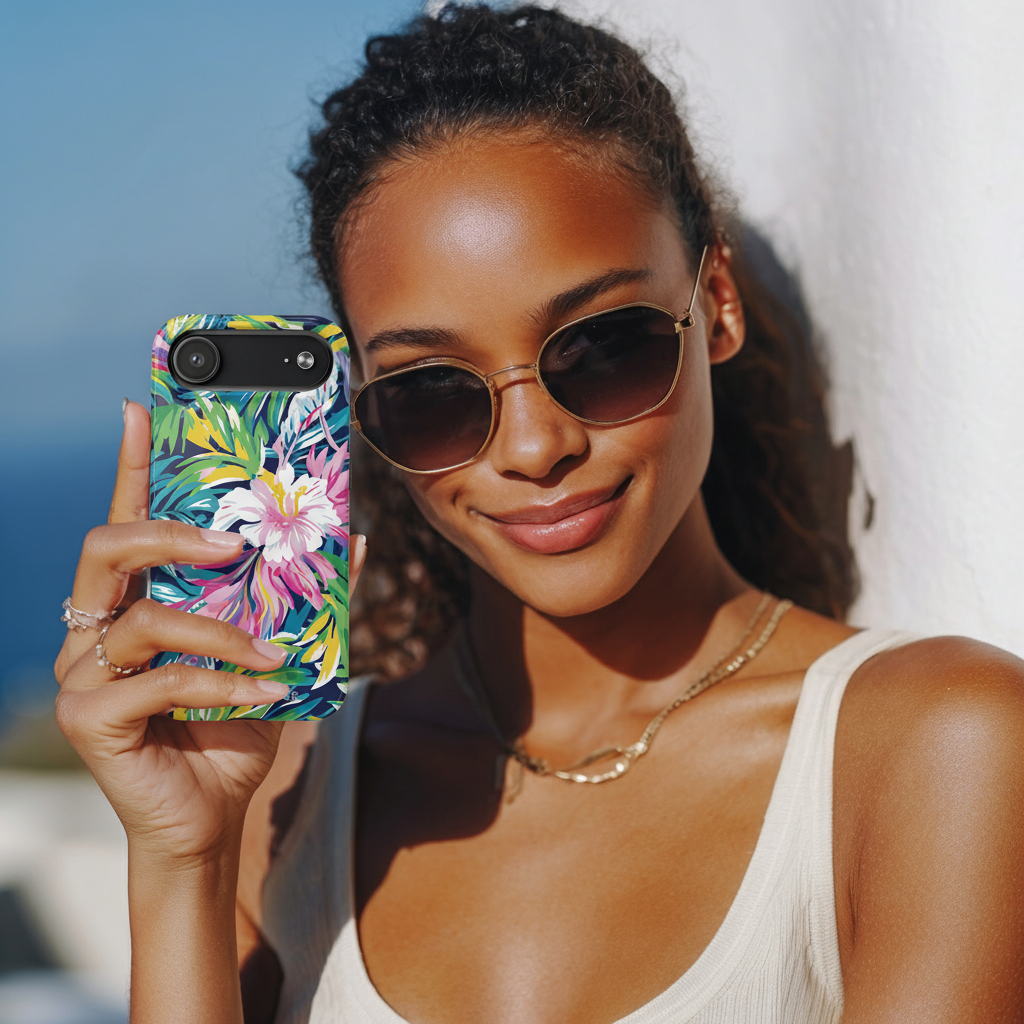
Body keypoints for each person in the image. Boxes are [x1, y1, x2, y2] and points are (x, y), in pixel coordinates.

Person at [54, 5, 1024, 1023]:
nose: (532, 446)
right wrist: (180, 864)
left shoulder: (935, 750)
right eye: (431, 393)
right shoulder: (277, 796)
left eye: (605, 347)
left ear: (717, 303)